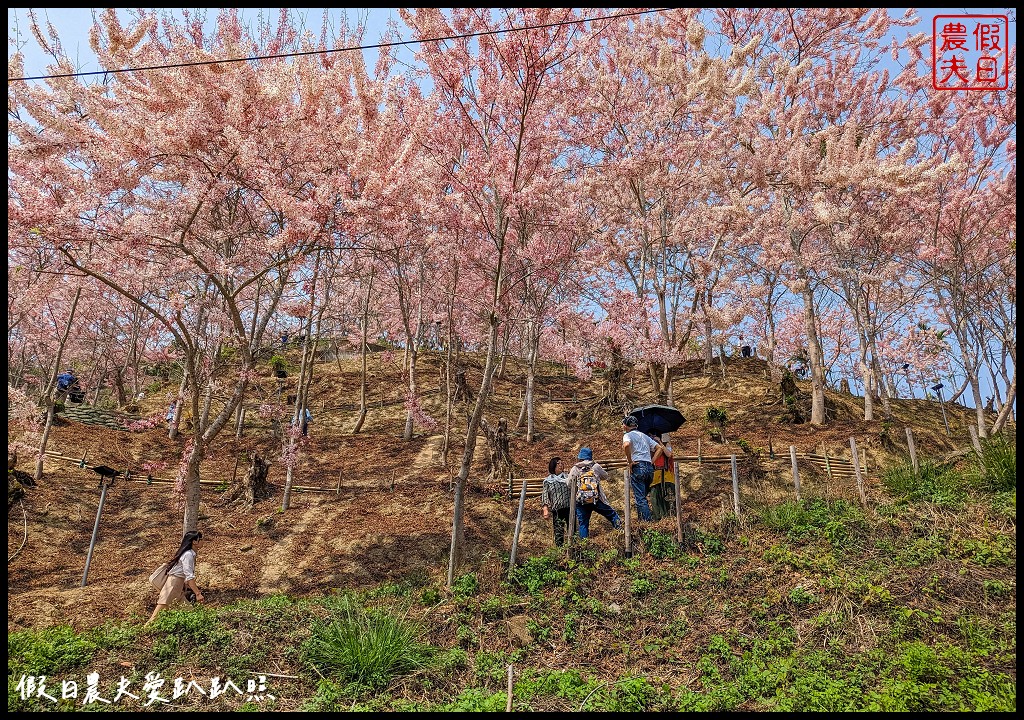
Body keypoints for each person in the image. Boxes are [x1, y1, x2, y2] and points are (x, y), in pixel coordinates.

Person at [147, 530, 205, 625]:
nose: (203, 541)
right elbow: (189, 576)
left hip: (178, 587)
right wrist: (198, 594)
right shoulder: (188, 555)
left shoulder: (189, 554)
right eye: (201, 539)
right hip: (173, 586)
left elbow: (185, 577)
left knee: (191, 613)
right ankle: (142, 634)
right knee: (155, 618)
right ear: (195, 542)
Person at [567, 447, 622, 539]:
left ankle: (584, 547)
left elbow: (569, 484)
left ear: (580, 457)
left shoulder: (575, 468)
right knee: (612, 515)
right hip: (596, 499)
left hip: (581, 501)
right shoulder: (595, 466)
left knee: (583, 524)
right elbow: (606, 476)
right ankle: (621, 532)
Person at [622, 415, 667, 522]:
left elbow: (627, 445)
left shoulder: (627, 435)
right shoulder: (644, 436)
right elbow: (660, 448)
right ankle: (642, 520)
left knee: (640, 499)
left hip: (638, 467)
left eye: (623, 424)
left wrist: (630, 462)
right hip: (649, 468)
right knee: (642, 496)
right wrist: (651, 461)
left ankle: (647, 524)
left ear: (627, 426)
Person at [540, 456, 571, 547]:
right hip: (557, 510)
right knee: (558, 532)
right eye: (558, 463)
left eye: (562, 463)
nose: (561, 465)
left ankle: (573, 549)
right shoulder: (548, 481)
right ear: (553, 466)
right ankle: (560, 551)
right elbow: (545, 496)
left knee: (572, 530)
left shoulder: (568, 478)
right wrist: (545, 510)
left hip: (569, 508)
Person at [647, 432, 676, 521]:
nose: (652, 437)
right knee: (655, 497)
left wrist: (659, 443)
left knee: (669, 495)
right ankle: (658, 517)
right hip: (654, 475)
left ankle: (671, 517)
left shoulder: (665, 445)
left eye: (653, 435)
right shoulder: (648, 446)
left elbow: (669, 455)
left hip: (667, 474)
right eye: (650, 436)